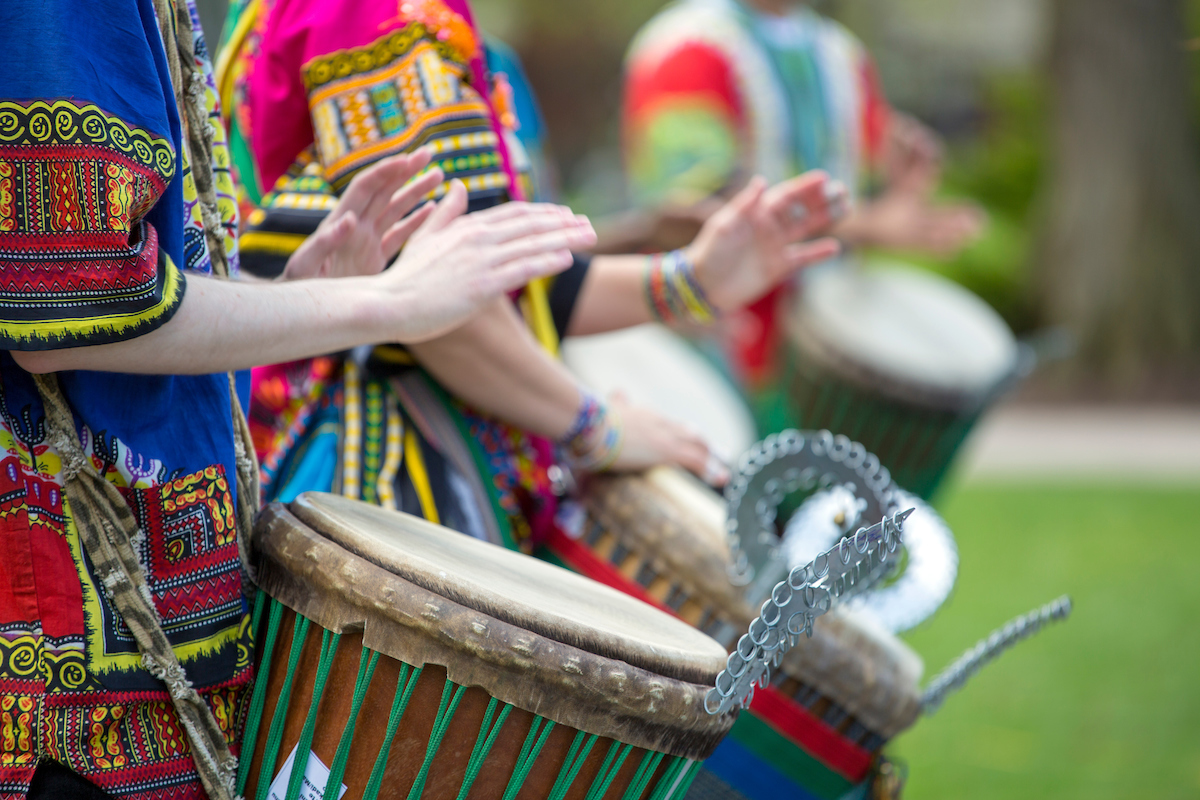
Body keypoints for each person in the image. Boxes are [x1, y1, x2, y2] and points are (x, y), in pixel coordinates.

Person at [0, 1, 598, 797]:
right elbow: (66, 305)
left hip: (147, 599)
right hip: (73, 647)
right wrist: (393, 304)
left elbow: (134, 282)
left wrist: (300, 295)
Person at [217, 0, 849, 551]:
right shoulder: (382, 14)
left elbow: (485, 280)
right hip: (381, 476)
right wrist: (596, 426)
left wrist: (690, 281)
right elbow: (430, 302)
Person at [622, 0, 985, 421]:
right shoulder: (686, 48)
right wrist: (871, 224)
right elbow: (686, 213)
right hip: (716, 339)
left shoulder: (839, 53)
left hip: (818, 348)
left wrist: (899, 165)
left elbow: (859, 163)